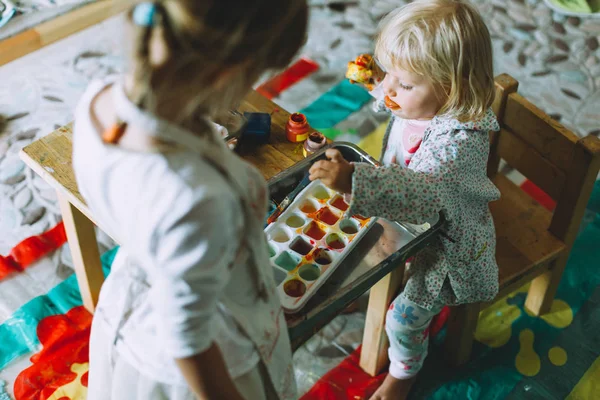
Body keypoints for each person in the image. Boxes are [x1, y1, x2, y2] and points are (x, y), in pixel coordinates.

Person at [72, 1, 308, 399]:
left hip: (130, 304)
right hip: (210, 360)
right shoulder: (198, 197)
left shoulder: (98, 101)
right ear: (227, 73)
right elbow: (187, 339)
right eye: (257, 75)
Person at [309, 1, 500, 398]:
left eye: (405, 83)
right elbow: (399, 95)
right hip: (407, 222)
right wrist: (376, 81)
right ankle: (365, 292)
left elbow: (423, 194)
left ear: (453, 89)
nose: (389, 89)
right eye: (389, 75)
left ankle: (404, 372)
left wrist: (354, 180)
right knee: (351, 249)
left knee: (402, 318)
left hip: (447, 245)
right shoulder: (425, 98)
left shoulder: (457, 145)